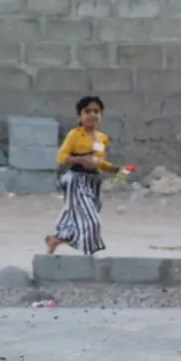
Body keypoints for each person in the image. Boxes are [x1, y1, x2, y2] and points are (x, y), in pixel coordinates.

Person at [46, 96, 120, 256]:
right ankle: (89, 256)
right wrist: (81, 159)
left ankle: (55, 241)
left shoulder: (102, 138)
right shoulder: (74, 135)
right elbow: (61, 157)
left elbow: (99, 162)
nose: (92, 115)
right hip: (76, 180)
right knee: (91, 221)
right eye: (88, 111)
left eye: (96, 111)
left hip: (93, 182)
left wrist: (115, 169)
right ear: (80, 115)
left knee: (75, 218)